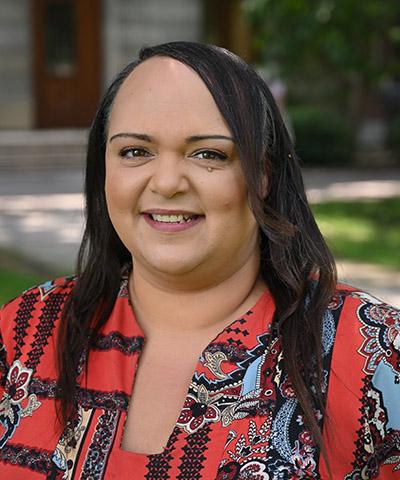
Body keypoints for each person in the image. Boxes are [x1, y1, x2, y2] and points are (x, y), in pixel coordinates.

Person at [0, 41, 399, 480]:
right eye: (135, 151)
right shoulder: (26, 328)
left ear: (262, 175)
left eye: (208, 153)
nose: (167, 182)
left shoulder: (371, 352)